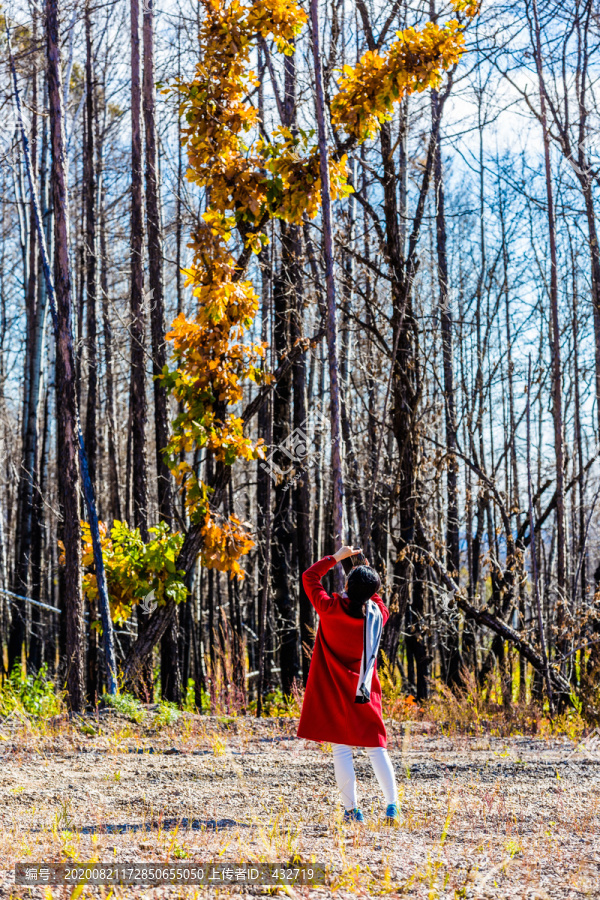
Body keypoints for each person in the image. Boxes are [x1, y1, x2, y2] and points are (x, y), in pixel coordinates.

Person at [297, 545, 399, 824]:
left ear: (346, 585)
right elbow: (373, 596)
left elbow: (309, 577)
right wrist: (362, 571)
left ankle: (352, 812)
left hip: (335, 692)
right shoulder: (378, 615)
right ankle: (392, 807)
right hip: (364, 694)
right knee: (377, 749)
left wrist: (337, 558)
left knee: (342, 751)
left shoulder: (328, 608)